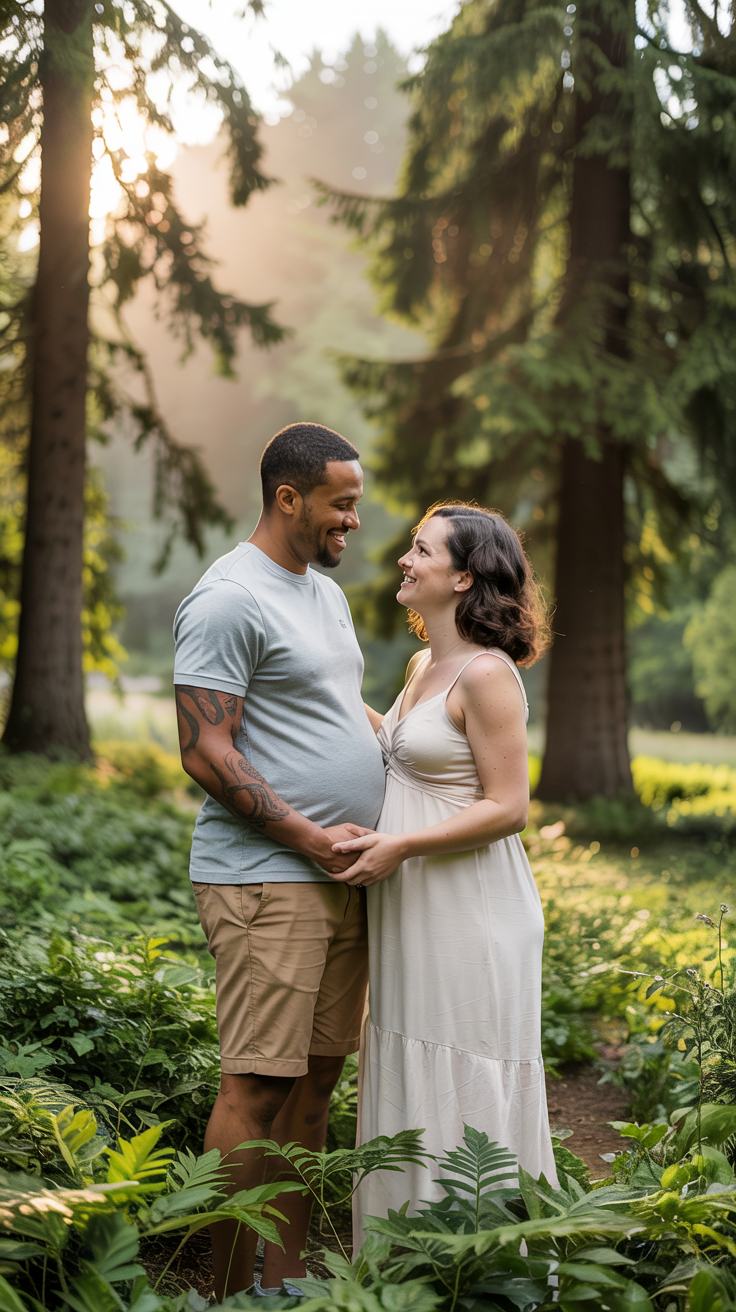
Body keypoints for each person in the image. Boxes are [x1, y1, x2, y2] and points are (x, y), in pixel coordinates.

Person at [173, 423, 385, 1300]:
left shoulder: (321, 594)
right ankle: (224, 1289)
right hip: (268, 879)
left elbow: (335, 710)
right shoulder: (229, 598)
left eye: (358, 504)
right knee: (257, 1087)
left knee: (315, 1088)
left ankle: (285, 1280)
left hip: (343, 880)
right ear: (287, 498)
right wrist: (307, 834)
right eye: (342, 504)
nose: (355, 522)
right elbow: (205, 749)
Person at [330, 502, 559, 1245]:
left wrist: (399, 847)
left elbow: (509, 806)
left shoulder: (489, 674)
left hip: (473, 911)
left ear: (462, 577)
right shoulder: (426, 664)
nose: (405, 558)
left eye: (421, 549)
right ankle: (406, 1261)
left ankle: (485, 1265)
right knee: (406, 1049)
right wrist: (317, 682)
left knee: (463, 1067)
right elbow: (399, 747)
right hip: (415, 907)